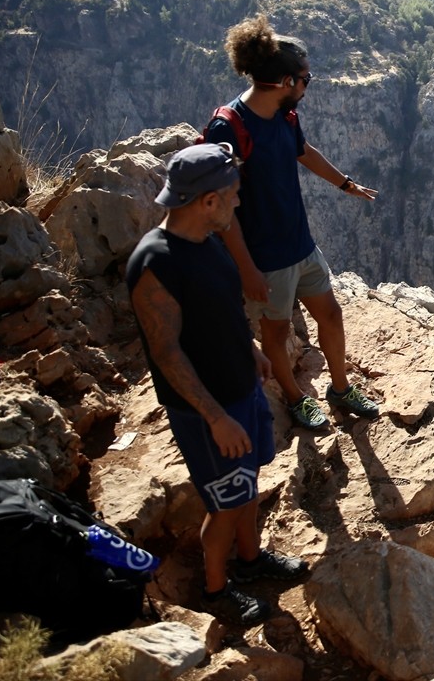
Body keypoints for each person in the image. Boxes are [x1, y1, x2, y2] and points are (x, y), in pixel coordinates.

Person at [127, 143, 308, 626]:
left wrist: (250, 350)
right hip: (208, 412)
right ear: (207, 200)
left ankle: (250, 563)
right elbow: (167, 353)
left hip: (240, 391)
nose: (237, 203)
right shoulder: (154, 265)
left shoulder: (207, 239)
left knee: (246, 486)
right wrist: (216, 418)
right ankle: (215, 589)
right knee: (224, 503)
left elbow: (221, 310)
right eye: (231, 195)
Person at [204, 14, 380, 430]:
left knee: (331, 316)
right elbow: (220, 210)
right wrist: (246, 269)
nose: (307, 85)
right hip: (266, 260)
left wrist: (345, 183)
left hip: (301, 245)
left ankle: (340, 389)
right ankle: (297, 399)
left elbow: (303, 151)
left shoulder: (285, 115)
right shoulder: (228, 130)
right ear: (285, 82)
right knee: (277, 333)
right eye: (306, 78)